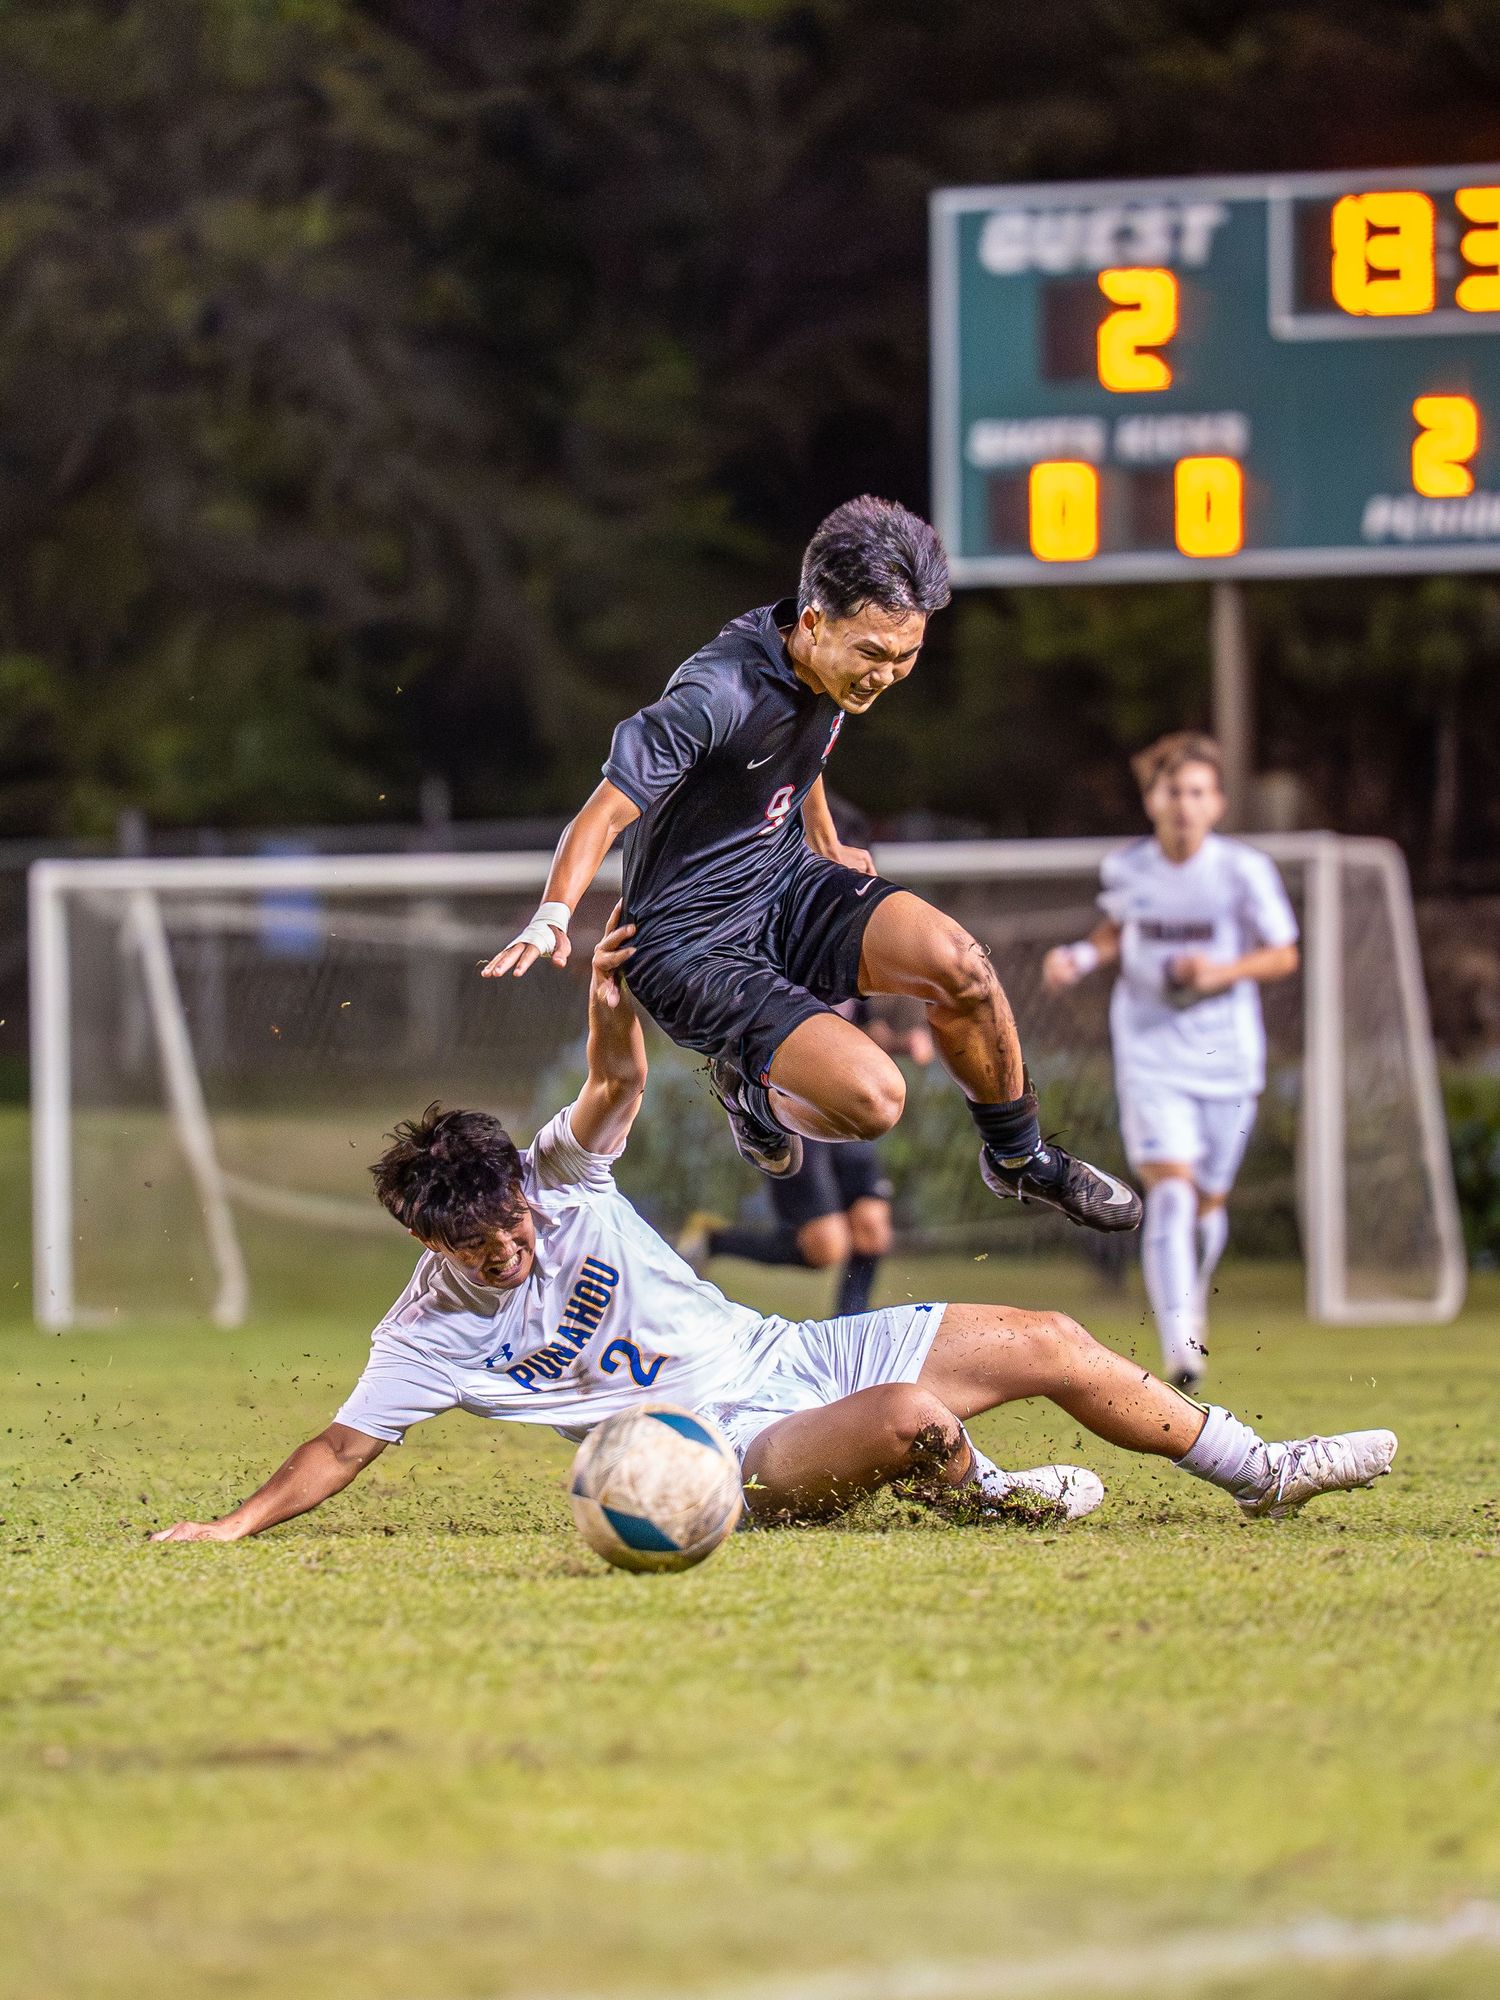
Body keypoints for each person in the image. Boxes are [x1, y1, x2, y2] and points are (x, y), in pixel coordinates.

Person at [152, 913, 1393, 1545]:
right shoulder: (423, 1333)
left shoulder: (556, 1177)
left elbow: (615, 1088)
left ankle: (1258, 1472)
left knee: (1056, 1337)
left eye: (518, 1228)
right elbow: (337, 1447)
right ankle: (986, 1494)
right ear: (435, 1248)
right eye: (486, 1255)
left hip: (793, 1358)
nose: (514, 1253)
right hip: (725, 1452)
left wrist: (609, 998)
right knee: (920, 1422)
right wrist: (231, 1523)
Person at [481, 494, 1141, 1237]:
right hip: (690, 947)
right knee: (873, 1102)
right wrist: (552, 917)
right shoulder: (715, 694)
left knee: (964, 967)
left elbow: (800, 742)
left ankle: (1021, 1160)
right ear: (816, 620)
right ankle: (753, 1096)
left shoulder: (827, 665)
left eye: (906, 656)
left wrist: (821, 834)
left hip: (784, 882)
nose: (886, 676)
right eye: (873, 654)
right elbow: (604, 810)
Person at [1043, 733, 1301, 1391]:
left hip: (1227, 1055)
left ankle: (1194, 1285)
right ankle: (1182, 1347)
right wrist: (1080, 955)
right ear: (1152, 800)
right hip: (1151, 1050)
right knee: (1171, 1191)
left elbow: (1283, 953)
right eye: (1172, 791)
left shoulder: (1242, 871)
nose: (1183, 805)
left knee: (1208, 1203)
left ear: (1215, 803)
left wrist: (1219, 972)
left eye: (1196, 792)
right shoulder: (1129, 868)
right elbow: (1118, 929)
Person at [678, 997, 931, 1318]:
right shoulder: (776, 970)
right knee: (827, 1246)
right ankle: (715, 1240)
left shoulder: (844, 969)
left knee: (873, 1228)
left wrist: (903, 1042)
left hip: (844, 1110)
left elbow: (866, 1030)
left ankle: (848, 1329)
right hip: (793, 1115)